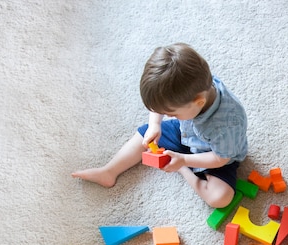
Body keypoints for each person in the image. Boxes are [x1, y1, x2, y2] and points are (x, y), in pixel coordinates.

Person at [72, 43, 248, 208]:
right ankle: (109, 171)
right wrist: (154, 124)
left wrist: (183, 161)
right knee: (144, 137)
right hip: (186, 134)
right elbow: (160, 106)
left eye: (172, 113)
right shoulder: (194, 90)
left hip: (214, 154)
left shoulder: (228, 124)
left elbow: (220, 158)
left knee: (220, 198)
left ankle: (184, 170)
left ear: (199, 102)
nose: (168, 116)